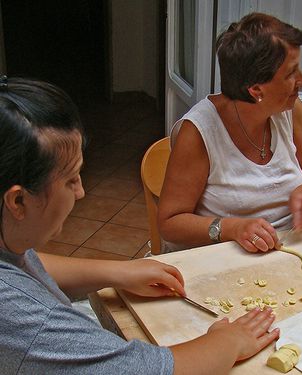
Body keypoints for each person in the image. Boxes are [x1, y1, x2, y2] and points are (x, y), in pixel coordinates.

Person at [0, 76, 279, 374]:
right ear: (18, 202)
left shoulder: (10, 242)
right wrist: (229, 341)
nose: (80, 192)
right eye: (71, 179)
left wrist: (117, 272)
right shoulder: (26, 319)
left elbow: (25, 263)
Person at [158, 13, 302, 253]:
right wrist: (232, 228)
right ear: (255, 89)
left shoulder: (290, 111)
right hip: (223, 259)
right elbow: (170, 224)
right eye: (291, 73)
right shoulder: (199, 132)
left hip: (288, 251)